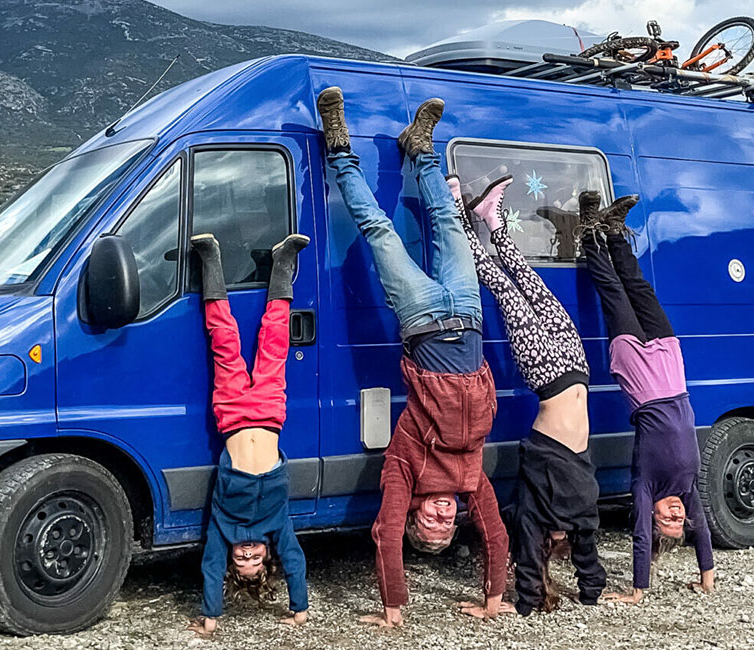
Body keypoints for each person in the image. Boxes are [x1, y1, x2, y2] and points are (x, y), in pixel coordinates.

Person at [316, 86, 509, 628]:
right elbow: (495, 535)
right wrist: (494, 598)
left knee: (378, 229)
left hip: (422, 317)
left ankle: (339, 148)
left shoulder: (404, 465)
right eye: (448, 526)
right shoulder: (471, 478)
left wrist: (394, 610)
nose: (443, 517)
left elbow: (383, 533)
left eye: (432, 523)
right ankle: (421, 150)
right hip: (467, 313)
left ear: (417, 517)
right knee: (449, 224)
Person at [448, 176, 603, 615]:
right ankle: (490, 219)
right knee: (530, 283)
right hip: (576, 366)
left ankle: (462, 216)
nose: (556, 544)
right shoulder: (582, 523)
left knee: (503, 288)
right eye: (558, 546)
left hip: (547, 375)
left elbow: (529, 572)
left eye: (550, 548)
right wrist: (593, 593)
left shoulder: (533, 515)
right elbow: (591, 567)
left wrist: (526, 602)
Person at [574, 190, 716, 603]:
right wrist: (706, 577)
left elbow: (638, 535)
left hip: (642, 380)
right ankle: (615, 232)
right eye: (680, 520)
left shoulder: (646, 486)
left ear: (654, 516)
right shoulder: (687, 487)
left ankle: (589, 232)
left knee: (614, 294)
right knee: (640, 290)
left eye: (667, 521)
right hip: (672, 373)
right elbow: (704, 534)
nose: (675, 514)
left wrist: (638, 590)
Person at [188, 231, 313, 636]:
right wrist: (300, 608)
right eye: (254, 559)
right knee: (274, 340)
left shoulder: (222, 527)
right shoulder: (277, 524)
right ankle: (282, 263)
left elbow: (210, 566)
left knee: (224, 340)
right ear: (266, 555)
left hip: (233, 414)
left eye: (240, 560)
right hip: (270, 413)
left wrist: (211, 617)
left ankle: (210, 258)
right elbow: (294, 560)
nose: (246, 553)